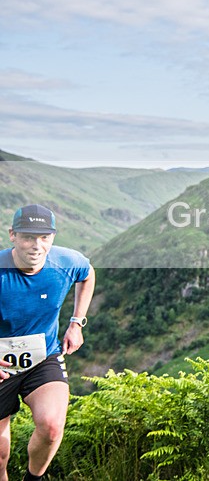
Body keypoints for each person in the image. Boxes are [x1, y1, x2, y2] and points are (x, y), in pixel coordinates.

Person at [0, 204, 95, 481]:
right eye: (28, 237)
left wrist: (77, 323)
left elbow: (88, 274)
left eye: (44, 237)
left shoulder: (65, 262)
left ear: (53, 237)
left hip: (44, 357)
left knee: (52, 427)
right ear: (13, 235)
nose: (36, 245)